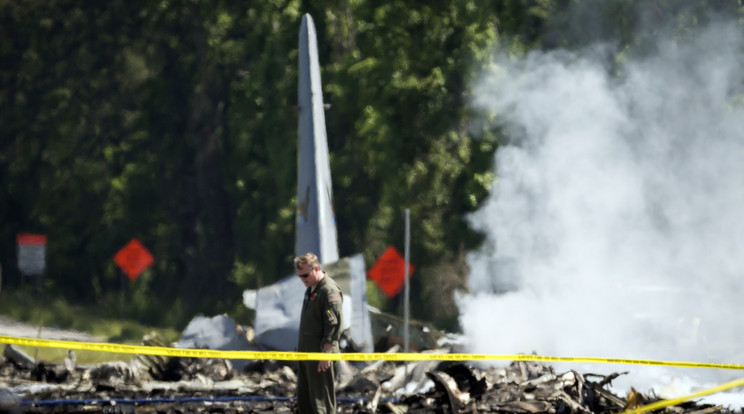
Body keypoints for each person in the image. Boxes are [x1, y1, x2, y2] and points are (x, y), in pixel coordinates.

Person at [294, 253, 344, 414]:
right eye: (300, 276)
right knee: (306, 399)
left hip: (320, 353)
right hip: (307, 353)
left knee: (321, 401)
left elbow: (333, 323)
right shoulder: (311, 289)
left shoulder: (328, 290)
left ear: (316, 268)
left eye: (306, 275)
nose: (303, 279)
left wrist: (326, 352)